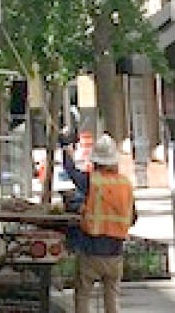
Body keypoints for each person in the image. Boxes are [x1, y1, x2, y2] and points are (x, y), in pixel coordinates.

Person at [62, 132, 135, 313]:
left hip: (91, 250)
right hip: (115, 252)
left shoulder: (92, 181)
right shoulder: (125, 184)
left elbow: (71, 172)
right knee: (112, 298)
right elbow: (133, 217)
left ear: (95, 162)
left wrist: (65, 148)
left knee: (83, 294)